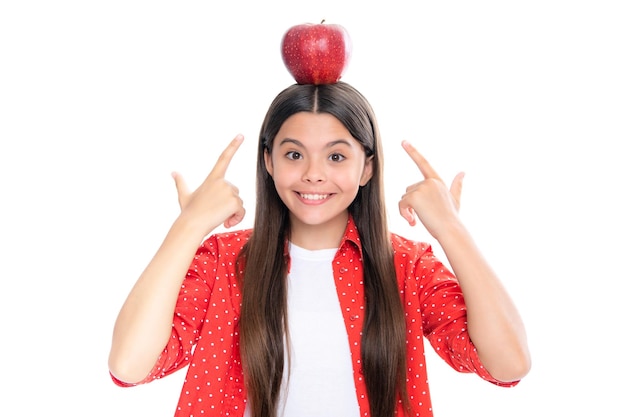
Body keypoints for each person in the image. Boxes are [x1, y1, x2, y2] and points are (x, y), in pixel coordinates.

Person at [108, 81, 531, 417]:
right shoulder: (224, 261)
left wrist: (451, 230)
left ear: (367, 167)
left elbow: (508, 364)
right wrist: (189, 226)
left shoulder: (406, 265)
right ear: (268, 162)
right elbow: (130, 364)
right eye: (294, 154)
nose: (313, 174)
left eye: (336, 157)